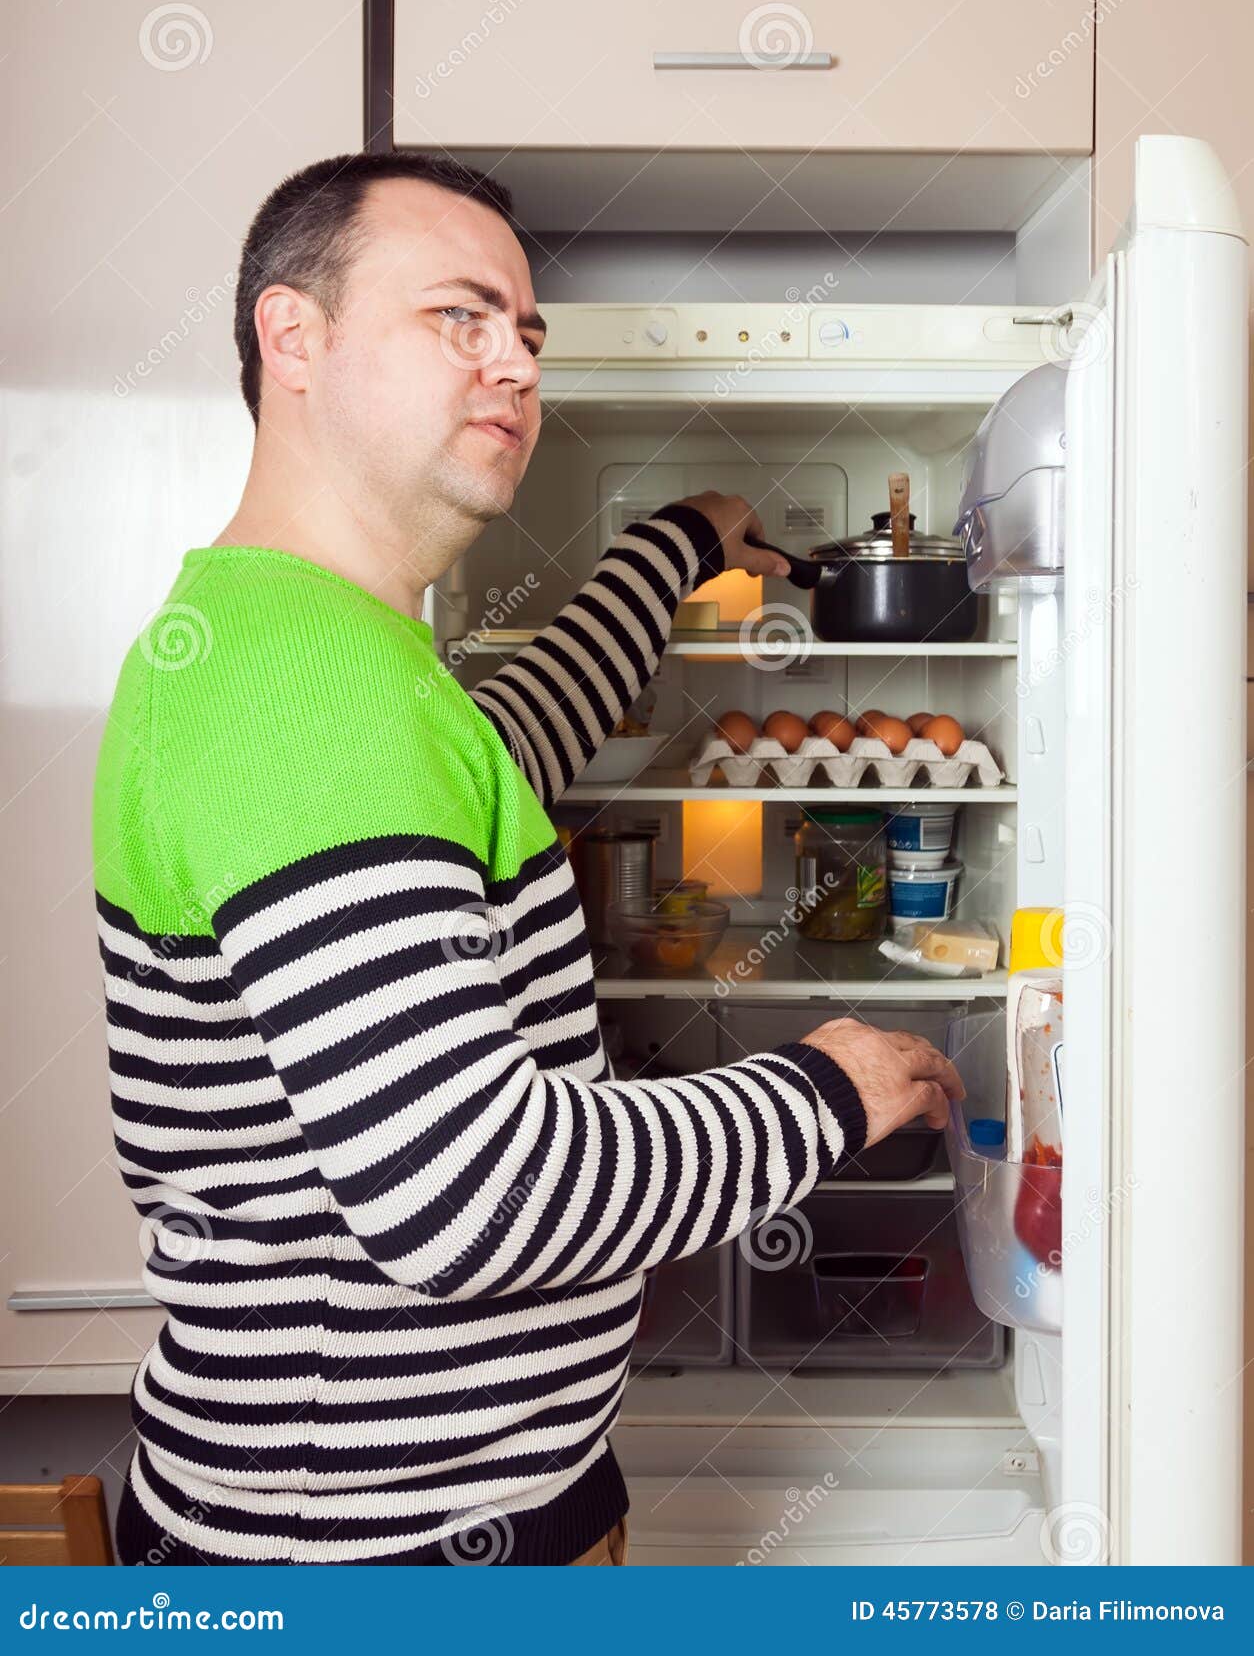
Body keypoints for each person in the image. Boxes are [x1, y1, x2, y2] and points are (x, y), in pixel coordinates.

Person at [93, 151, 964, 1567]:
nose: (515, 363)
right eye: (459, 316)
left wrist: (678, 544)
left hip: (450, 1510)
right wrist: (822, 1091)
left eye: (528, 332)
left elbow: (510, 747)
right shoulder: (298, 688)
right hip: (365, 1558)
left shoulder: (326, 657)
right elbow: (468, 1192)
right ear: (291, 336)